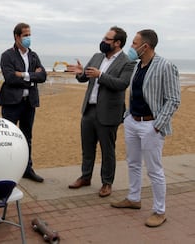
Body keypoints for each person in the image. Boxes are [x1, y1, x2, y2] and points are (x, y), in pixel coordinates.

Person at [111, 29, 180, 227]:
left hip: (151, 124)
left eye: (134, 43)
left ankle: (160, 211)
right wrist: (128, 116)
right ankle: (134, 198)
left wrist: (158, 126)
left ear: (145, 46)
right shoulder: (136, 65)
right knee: (132, 163)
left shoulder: (165, 66)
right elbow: (134, 93)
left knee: (154, 170)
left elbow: (174, 100)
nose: (131, 47)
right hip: (133, 121)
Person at [66, 26, 136, 197]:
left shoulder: (127, 62)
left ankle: (107, 183)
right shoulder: (97, 57)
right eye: (104, 38)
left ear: (117, 43)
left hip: (109, 113)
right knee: (87, 147)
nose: (103, 42)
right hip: (89, 110)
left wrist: (101, 75)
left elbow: (122, 84)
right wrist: (80, 72)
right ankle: (85, 177)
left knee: (108, 150)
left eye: (107, 39)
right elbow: (85, 78)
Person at [0, 22, 47, 183]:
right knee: (8, 138)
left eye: (29, 35)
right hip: (11, 103)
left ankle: (27, 169)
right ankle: (6, 171)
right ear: (17, 36)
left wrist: (23, 75)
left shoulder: (33, 55)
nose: (28, 38)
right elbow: (10, 78)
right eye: (25, 35)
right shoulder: (7, 55)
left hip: (29, 103)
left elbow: (43, 76)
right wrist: (32, 77)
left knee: (27, 137)